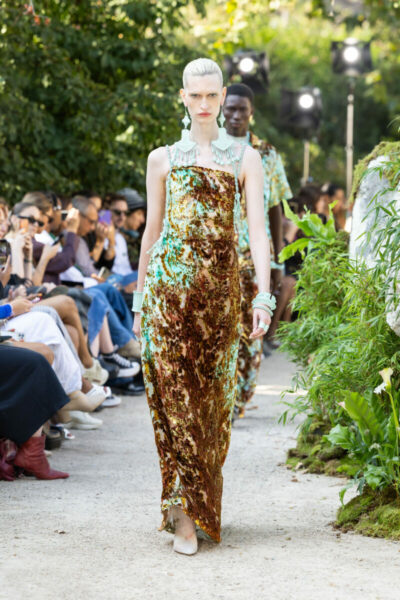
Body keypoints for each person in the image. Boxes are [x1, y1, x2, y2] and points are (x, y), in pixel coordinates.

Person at [133, 58, 273, 555]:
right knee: (172, 402)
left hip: (219, 300)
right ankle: (184, 516)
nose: (204, 104)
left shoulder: (245, 159)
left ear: (223, 96)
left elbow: (258, 230)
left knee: (211, 408)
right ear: (183, 97)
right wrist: (139, 302)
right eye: (195, 95)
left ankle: (193, 502)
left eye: (212, 95)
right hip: (167, 296)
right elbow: (151, 234)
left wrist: (263, 295)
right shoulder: (162, 158)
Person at [223, 83, 292, 415]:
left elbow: (275, 207)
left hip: (254, 255)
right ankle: (222, 396)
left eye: (242, 110)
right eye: (230, 109)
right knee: (220, 326)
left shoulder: (266, 153)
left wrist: (277, 262)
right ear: (222, 110)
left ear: (251, 113)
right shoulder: (208, 148)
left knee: (251, 328)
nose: (236, 115)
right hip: (218, 253)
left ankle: (240, 395)